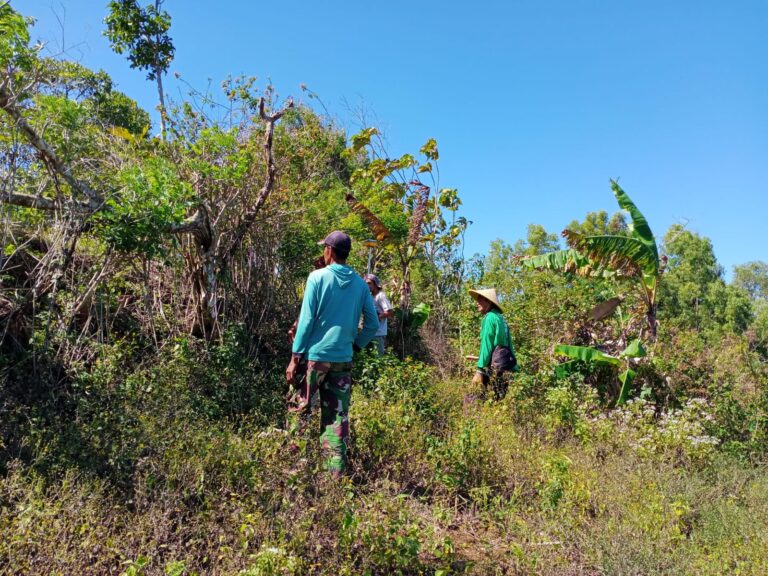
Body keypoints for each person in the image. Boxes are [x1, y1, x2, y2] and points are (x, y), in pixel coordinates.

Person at [285, 231, 379, 476]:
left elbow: (306, 321)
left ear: (329, 251)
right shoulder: (360, 285)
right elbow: (372, 324)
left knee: (300, 409)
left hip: (315, 358)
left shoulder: (317, 278)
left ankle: (294, 467)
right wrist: (356, 346)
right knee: (337, 417)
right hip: (343, 360)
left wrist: (295, 359)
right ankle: (334, 475)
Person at [468, 288, 517, 400]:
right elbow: (508, 344)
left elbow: (487, 345)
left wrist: (479, 371)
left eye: (480, 300)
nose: (477, 302)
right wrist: (514, 366)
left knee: (473, 399)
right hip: (505, 367)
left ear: (489, 302)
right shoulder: (500, 318)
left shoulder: (489, 318)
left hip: (493, 368)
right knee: (498, 401)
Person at [364, 273, 394, 354]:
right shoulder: (371, 296)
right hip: (371, 332)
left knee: (378, 357)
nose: (367, 285)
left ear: (375, 284)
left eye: (369, 283)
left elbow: (390, 312)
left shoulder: (380, 296)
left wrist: (376, 317)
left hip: (379, 333)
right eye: (365, 283)